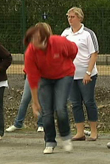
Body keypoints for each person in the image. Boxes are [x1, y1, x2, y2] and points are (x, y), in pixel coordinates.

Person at [23, 24, 78, 154]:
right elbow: (33, 78)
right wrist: (35, 102)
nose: (34, 42)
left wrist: (66, 65)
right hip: (44, 79)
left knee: (60, 108)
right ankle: (50, 141)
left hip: (64, 76)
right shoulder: (30, 52)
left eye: (37, 38)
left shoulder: (59, 42)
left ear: (45, 38)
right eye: (32, 39)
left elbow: (73, 51)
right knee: (46, 112)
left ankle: (66, 138)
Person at [6, 22, 53, 133]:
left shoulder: (50, 45)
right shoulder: (32, 47)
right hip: (31, 76)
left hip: (43, 76)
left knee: (41, 100)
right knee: (25, 99)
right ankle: (18, 123)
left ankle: (41, 124)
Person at [61, 7, 99, 141]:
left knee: (89, 101)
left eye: (72, 17)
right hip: (71, 75)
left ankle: (94, 131)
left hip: (86, 75)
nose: (70, 19)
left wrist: (88, 73)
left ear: (80, 18)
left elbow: (94, 53)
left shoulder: (88, 34)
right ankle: (80, 132)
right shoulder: (65, 33)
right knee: (75, 103)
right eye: (68, 17)